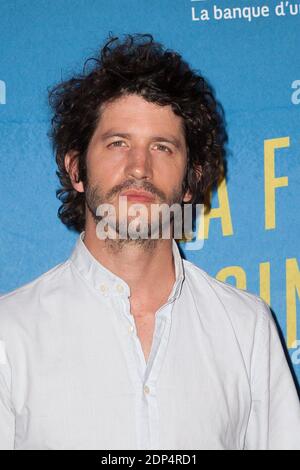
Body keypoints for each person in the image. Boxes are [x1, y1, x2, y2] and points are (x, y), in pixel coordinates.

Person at [0, 33, 299, 450]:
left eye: (162, 147)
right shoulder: (9, 333)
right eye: (118, 143)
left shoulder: (247, 329)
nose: (139, 166)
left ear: (191, 181)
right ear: (76, 169)